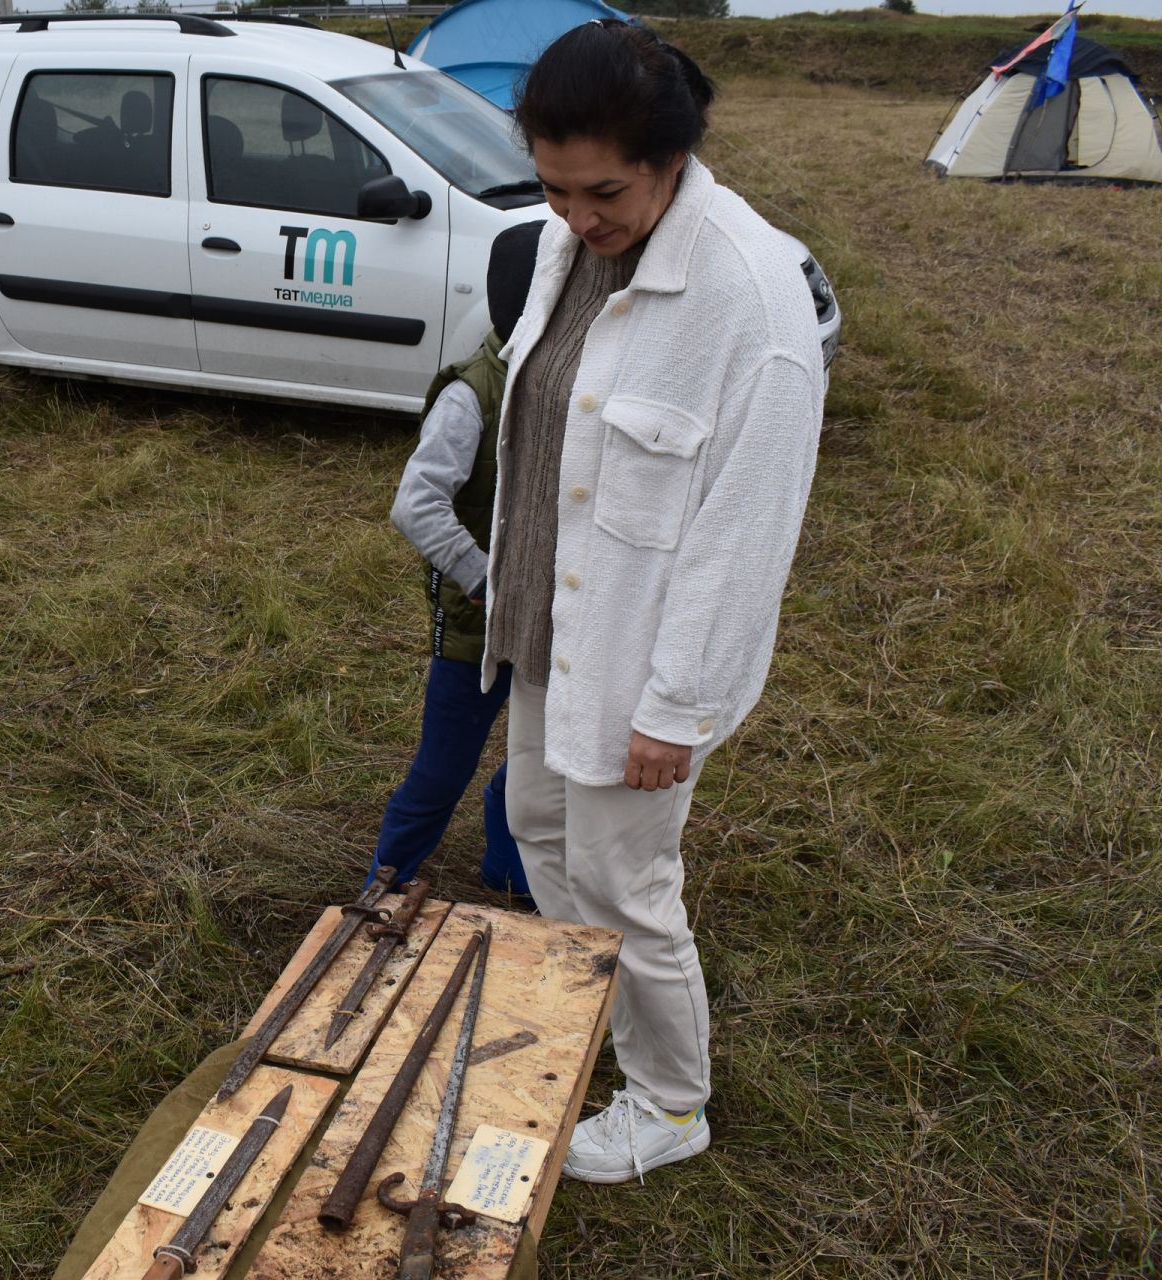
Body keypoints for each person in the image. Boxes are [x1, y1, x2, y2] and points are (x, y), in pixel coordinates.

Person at [479, 22, 827, 1183]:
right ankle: (595, 1021)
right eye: (552, 186)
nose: (576, 215)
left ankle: (672, 1103)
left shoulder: (752, 299)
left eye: (604, 191)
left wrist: (676, 706)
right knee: (537, 829)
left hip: (637, 658)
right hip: (547, 618)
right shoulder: (561, 241)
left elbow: (746, 533)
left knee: (629, 880)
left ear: (673, 158)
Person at [364, 222, 544, 898]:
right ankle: (382, 889)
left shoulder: (561, 379)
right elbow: (416, 504)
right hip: (480, 628)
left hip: (552, 620)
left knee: (537, 765)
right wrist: (482, 579)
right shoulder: (474, 393)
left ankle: (509, 873)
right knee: (441, 774)